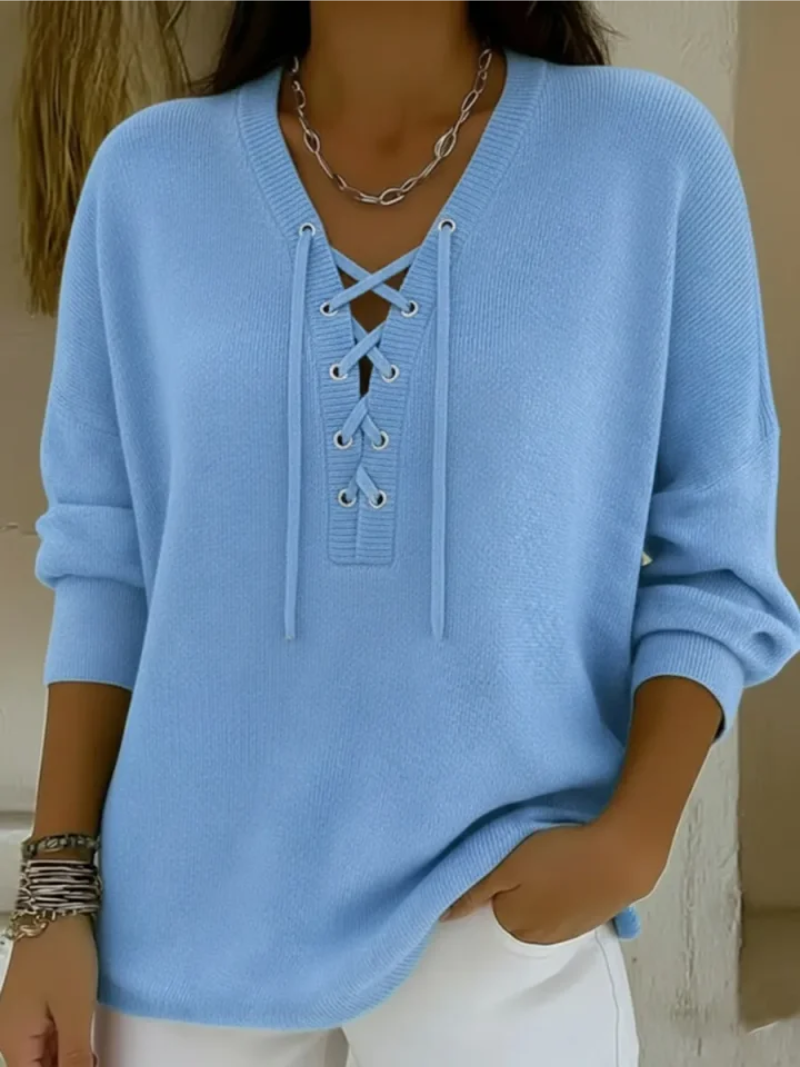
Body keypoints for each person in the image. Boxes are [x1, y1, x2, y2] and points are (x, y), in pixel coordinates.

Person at [2, 2, 799, 1065]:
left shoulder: (649, 157)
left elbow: (715, 556)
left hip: (496, 924)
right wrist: (54, 901)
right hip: (179, 934)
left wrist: (633, 837)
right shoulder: (146, 180)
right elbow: (107, 564)